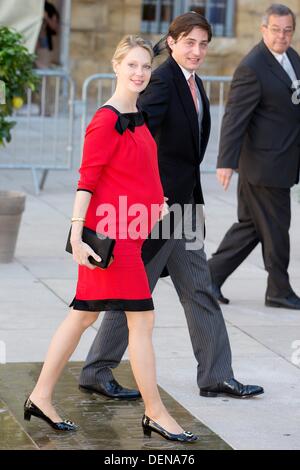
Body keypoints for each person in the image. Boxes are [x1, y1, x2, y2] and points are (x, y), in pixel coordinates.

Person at [79, 12, 264, 400]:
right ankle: (96, 370)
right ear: (173, 42)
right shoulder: (162, 81)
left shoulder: (191, 83)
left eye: (203, 44)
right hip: (157, 211)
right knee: (134, 290)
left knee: (199, 288)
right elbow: (135, 137)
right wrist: (143, 196)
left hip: (183, 210)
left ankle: (216, 374)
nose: (197, 51)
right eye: (189, 43)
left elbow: (187, 152)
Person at [24, 35, 198, 443]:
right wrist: (76, 236)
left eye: (145, 67)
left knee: (82, 315)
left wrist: (156, 201)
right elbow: (86, 181)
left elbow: (145, 167)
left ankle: (41, 395)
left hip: (132, 234)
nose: (139, 73)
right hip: (110, 240)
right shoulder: (105, 119)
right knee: (142, 319)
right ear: (116, 65)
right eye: (132, 65)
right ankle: (155, 412)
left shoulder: (135, 114)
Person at [208, 3, 300, 310]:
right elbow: (235, 116)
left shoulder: (291, 58)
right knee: (275, 230)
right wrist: (226, 161)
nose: (281, 36)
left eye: (288, 30)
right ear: (264, 30)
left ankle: (208, 278)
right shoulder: (253, 66)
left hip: (281, 160)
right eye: (275, 30)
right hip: (264, 165)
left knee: (251, 227)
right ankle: (279, 290)